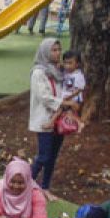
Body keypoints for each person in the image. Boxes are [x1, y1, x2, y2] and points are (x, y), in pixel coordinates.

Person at [28, 38, 66, 193]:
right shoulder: (38, 73)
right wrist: (64, 103)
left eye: (58, 50)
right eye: (54, 50)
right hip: (44, 120)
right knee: (43, 156)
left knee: (52, 157)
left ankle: (45, 187)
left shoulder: (57, 71)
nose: (57, 53)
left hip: (58, 119)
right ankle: (26, 182)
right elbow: (44, 97)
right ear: (45, 51)